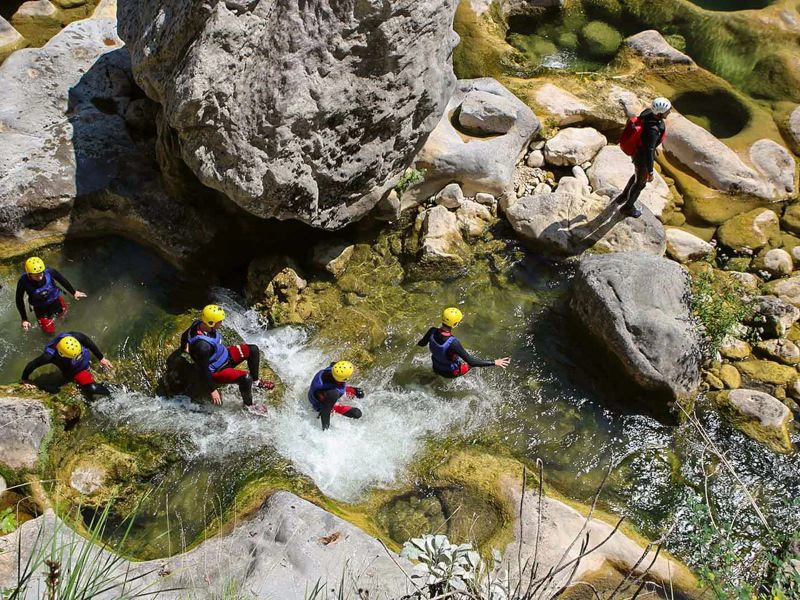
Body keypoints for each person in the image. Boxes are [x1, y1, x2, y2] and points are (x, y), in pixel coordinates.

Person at [180, 304, 273, 412]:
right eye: (219, 321)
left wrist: (184, 347)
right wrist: (213, 390)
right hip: (218, 370)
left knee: (253, 349)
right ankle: (249, 406)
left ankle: (256, 382)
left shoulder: (198, 324)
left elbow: (184, 335)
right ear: (210, 323)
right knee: (246, 378)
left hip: (226, 355)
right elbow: (204, 370)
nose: (221, 323)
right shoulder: (202, 347)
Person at [614, 97, 672, 219]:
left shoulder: (648, 113)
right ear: (660, 113)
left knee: (637, 175)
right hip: (642, 157)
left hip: (637, 152)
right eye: (667, 111)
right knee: (640, 184)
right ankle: (627, 207)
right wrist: (650, 171)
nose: (669, 112)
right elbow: (649, 152)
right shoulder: (653, 130)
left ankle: (623, 196)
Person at [418, 307, 510, 378]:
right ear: (454, 324)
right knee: (471, 364)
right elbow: (472, 362)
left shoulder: (432, 331)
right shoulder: (453, 343)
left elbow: (422, 344)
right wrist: (494, 362)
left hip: (436, 367)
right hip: (450, 373)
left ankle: (433, 377)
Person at [21, 332, 112, 399]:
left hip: (83, 357)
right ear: (61, 354)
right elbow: (32, 365)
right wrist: (25, 379)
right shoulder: (49, 356)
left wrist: (101, 358)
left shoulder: (76, 336)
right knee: (91, 388)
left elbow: (89, 342)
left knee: (92, 387)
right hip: (73, 370)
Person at [16, 257, 87, 335]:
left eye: (41, 274)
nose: (40, 278)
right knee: (49, 332)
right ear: (29, 274)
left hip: (56, 302)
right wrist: (24, 319)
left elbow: (62, 280)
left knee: (66, 320)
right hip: (41, 309)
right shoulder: (23, 281)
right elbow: (19, 299)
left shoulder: (49, 271)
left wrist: (73, 292)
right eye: (36, 276)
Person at [307, 361, 364, 430]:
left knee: (359, 393)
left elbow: (334, 364)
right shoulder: (333, 394)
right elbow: (325, 412)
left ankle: (351, 390)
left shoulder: (333, 369)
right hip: (322, 404)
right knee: (357, 413)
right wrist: (325, 430)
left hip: (325, 391)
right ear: (345, 379)